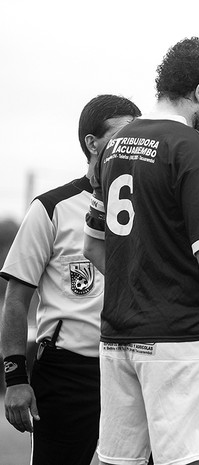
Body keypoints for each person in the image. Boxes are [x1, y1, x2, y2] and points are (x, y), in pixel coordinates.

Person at [83, 37, 199, 465]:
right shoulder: (193, 146)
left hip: (118, 336)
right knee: (194, 459)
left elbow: (92, 245)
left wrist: (138, 283)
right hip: (182, 338)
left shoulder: (113, 146)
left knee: (118, 461)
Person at [1, 95, 141, 465]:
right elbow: (16, 299)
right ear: (92, 143)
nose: (130, 143)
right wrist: (15, 378)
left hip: (136, 367)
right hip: (69, 374)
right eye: (122, 134)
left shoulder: (149, 207)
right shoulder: (52, 207)